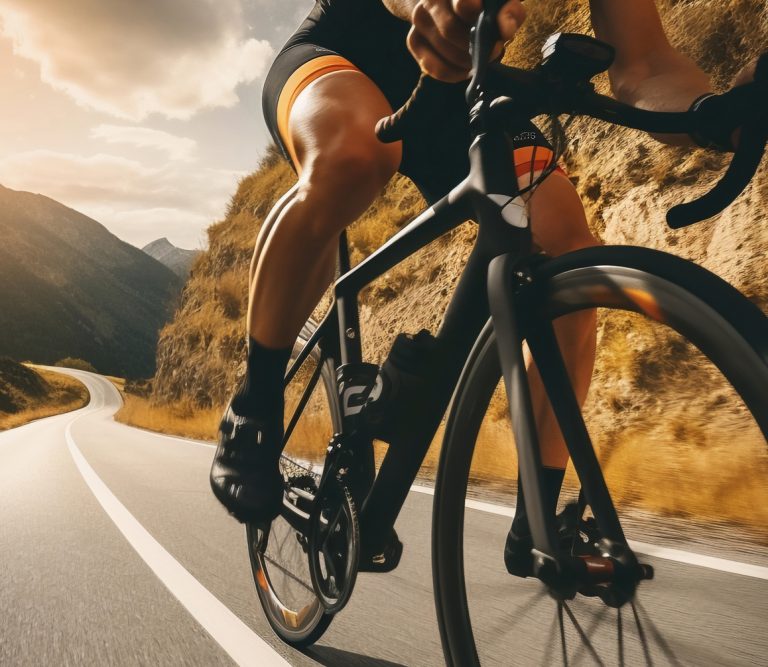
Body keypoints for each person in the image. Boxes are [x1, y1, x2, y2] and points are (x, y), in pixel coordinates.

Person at [210, 0, 755, 568]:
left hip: (465, 85)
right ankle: (253, 409)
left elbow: (646, 66)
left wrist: (716, 114)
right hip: (343, 52)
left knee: (567, 239)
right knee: (353, 154)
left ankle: (539, 523)